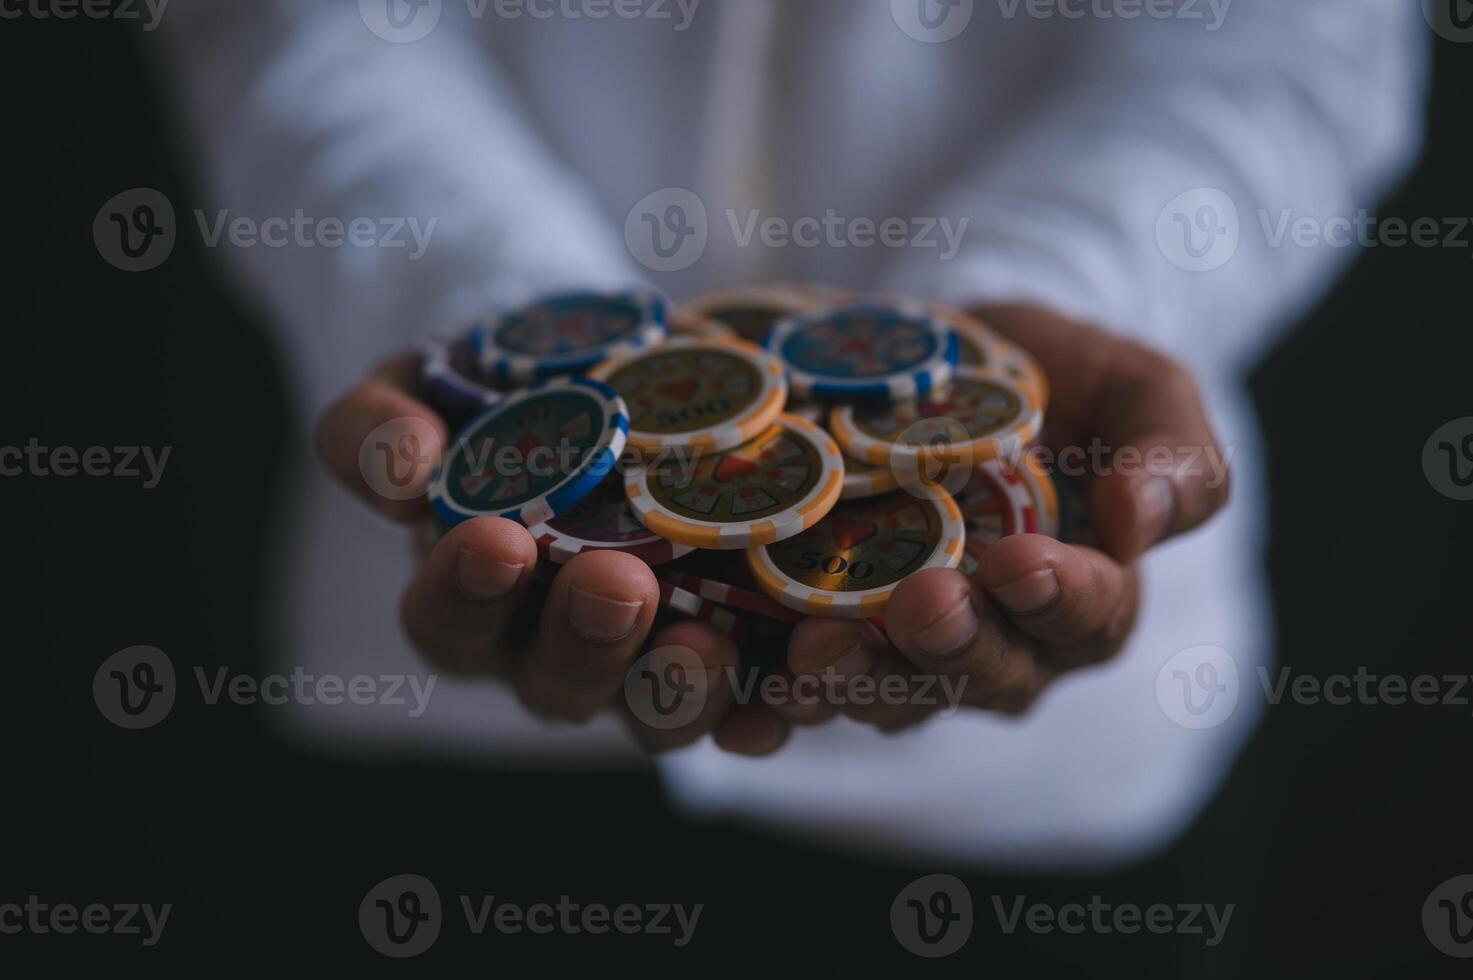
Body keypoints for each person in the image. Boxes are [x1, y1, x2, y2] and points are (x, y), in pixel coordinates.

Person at [151, 0, 1425, 868]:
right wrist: (509, 345)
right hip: (435, 717)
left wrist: (1055, 299)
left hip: (1048, 799)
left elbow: (1289, 45)